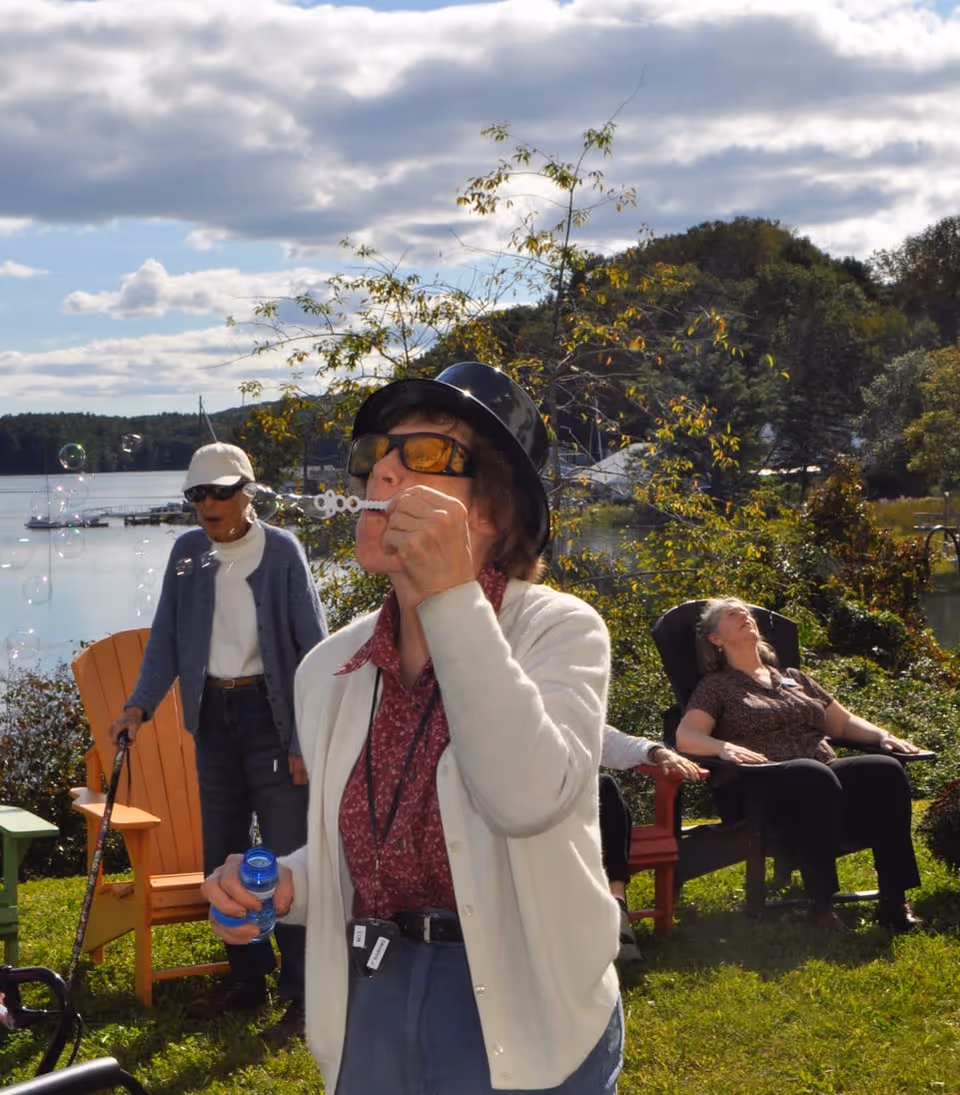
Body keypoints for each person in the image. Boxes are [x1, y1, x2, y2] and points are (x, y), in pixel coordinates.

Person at [203, 362, 623, 1094]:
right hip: (378, 994)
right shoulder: (331, 666)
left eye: (424, 453)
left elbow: (524, 798)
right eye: (380, 452)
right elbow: (361, 849)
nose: (383, 469)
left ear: (494, 511)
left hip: (529, 1010)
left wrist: (451, 596)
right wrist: (284, 887)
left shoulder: (558, 630)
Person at [109, 441, 327, 1045]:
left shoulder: (283, 551)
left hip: (272, 719)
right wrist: (137, 707)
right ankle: (245, 979)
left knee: (287, 861)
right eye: (197, 494)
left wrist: (307, 738)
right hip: (212, 720)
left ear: (247, 492)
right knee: (222, 854)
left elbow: (315, 648)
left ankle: (304, 995)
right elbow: (166, 641)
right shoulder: (187, 554)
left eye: (220, 491)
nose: (207, 503)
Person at [675, 596, 924, 933]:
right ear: (716, 639)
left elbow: (842, 723)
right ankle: (821, 909)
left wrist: (882, 735)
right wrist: (722, 747)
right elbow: (686, 736)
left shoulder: (793, 677)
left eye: (746, 612)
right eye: (732, 615)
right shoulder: (717, 687)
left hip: (820, 775)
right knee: (813, 775)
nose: (744, 616)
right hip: (763, 782)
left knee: (885, 769)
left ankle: (894, 902)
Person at [599, 725, 707, 964]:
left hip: (577, 814)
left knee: (605, 787)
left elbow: (615, 742)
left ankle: (617, 912)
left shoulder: (569, 707)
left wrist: (660, 753)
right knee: (602, 787)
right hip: (525, 815)